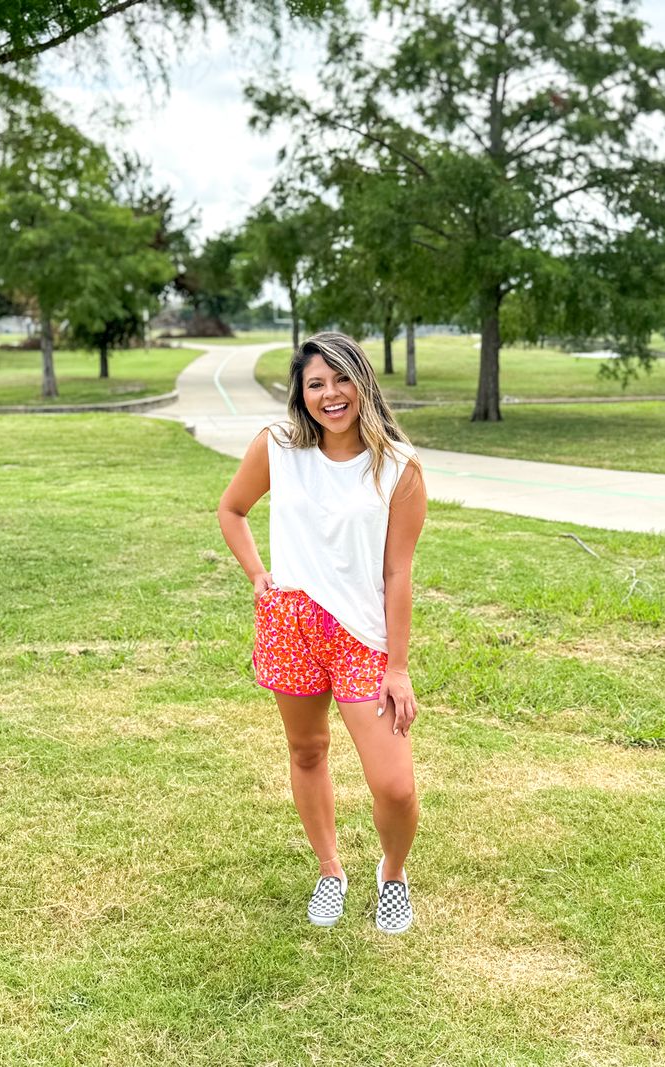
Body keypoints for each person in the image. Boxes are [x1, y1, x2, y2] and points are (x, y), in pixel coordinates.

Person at [218, 331, 427, 934]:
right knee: (307, 751)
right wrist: (259, 574)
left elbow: (397, 572)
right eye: (316, 383)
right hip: (293, 624)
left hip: (363, 636)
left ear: (363, 381)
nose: (330, 394)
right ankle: (330, 869)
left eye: (341, 379)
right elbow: (231, 509)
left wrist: (399, 665)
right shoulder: (278, 446)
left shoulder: (398, 466)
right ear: (301, 392)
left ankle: (392, 872)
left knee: (394, 784)